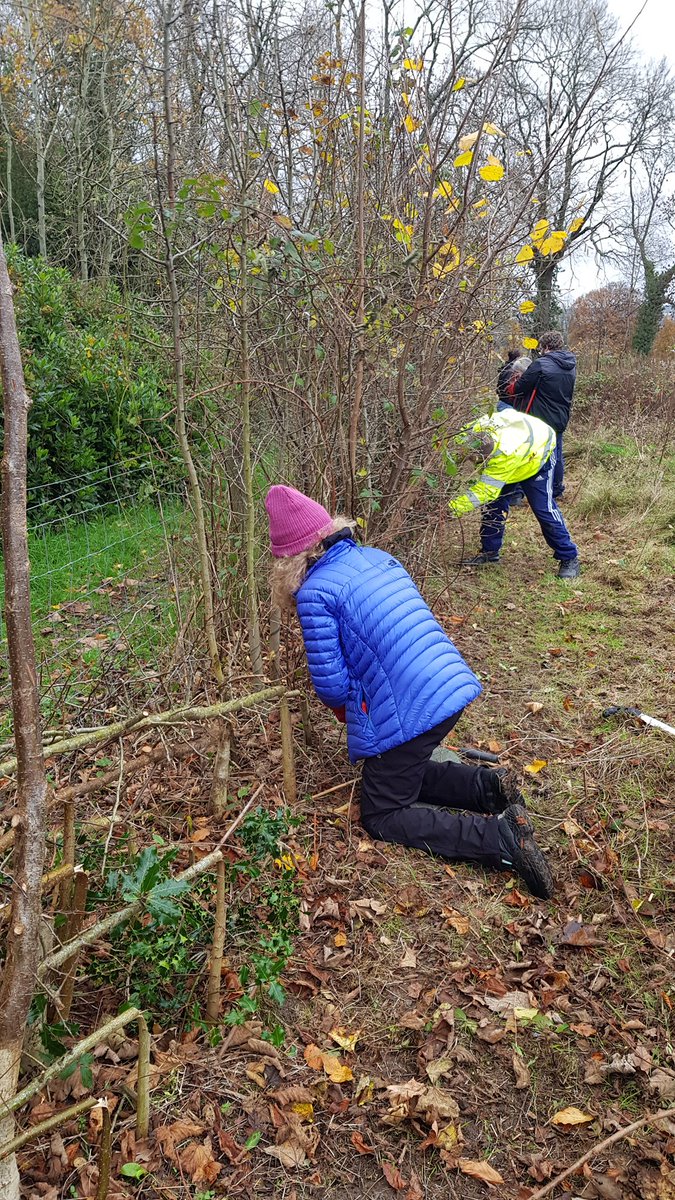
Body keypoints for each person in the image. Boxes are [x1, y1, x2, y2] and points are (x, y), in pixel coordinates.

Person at [265, 484, 554, 899]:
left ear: (289, 558)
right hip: (448, 683)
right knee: (400, 773)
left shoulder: (314, 592)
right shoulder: (377, 557)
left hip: (411, 705)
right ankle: (490, 788)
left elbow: (330, 685)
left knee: (382, 812)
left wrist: (355, 711)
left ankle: (500, 838)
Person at [452, 406, 580, 580]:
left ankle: (569, 557)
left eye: (480, 461)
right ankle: (490, 552)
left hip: (538, 455)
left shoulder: (503, 455)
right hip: (521, 445)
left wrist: (450, 510)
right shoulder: (471, 432)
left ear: (489, 457)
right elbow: (450, 446)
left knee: (543, 509)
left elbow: (484, 491)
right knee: (493, 506)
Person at [513, 330, 576, 500]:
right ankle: (557, 490)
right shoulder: (571, 365)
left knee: (527, 452)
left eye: (541, 347)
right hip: (561, 416)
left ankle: (520, 492)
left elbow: (520, 387)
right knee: (556, 454)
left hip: (539, 419)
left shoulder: (540, 364)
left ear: (546, 347)